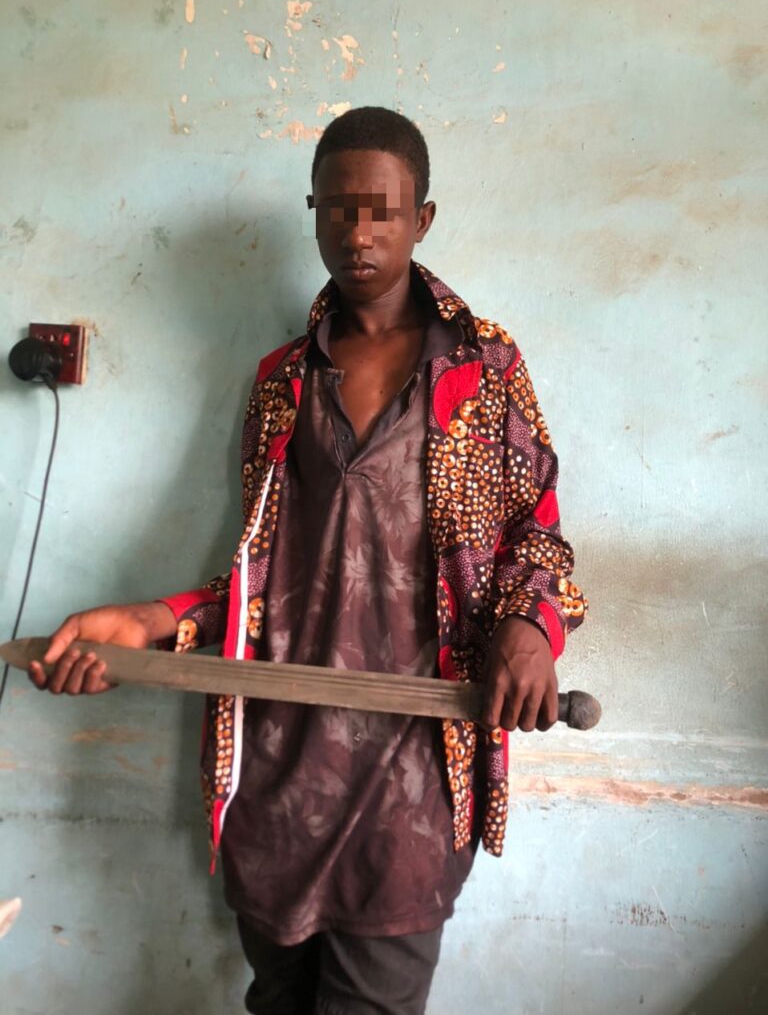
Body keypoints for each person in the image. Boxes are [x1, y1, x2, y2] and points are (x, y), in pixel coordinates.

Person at [28, 106, 587, 1015]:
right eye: (336, 210)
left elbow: (541, 531)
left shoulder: (484, 369)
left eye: (382, 211)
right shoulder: (282, 381)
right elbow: (266, 578)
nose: (358, 234)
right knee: (278, 1000)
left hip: (415, 770)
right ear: (314, 214)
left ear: (423, 219)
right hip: (279, 762)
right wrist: (147, 622)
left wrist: (530, 628)